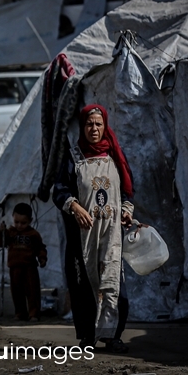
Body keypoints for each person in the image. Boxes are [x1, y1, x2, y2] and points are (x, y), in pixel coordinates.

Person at [53, 104, 134, 353]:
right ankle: (88, 336)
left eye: (99, 124)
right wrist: (75, 207)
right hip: (83, 234)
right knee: (85, 283)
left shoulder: (114, 154)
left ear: (105, 125)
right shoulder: (74, 156)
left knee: (112, 281)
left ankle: (112, 336)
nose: (94, 129)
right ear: (82, 127)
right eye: (89, 124)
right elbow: (60, 190)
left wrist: (127, 210)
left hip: (111, 232)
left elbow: (128, 190)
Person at [0, 202, 47, 321]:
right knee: (16, 292)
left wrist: (42, 258)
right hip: (14, 267)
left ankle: (33, 313)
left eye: (23, 223)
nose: (19, 225)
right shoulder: (10, 232)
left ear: (30, 220)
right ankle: (20, 313)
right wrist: (1, 232)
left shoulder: (33, 234)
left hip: (29, 268)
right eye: (16, 222)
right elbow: (0, 243)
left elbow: (40, 248)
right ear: (13, 218)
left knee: (32, 292)